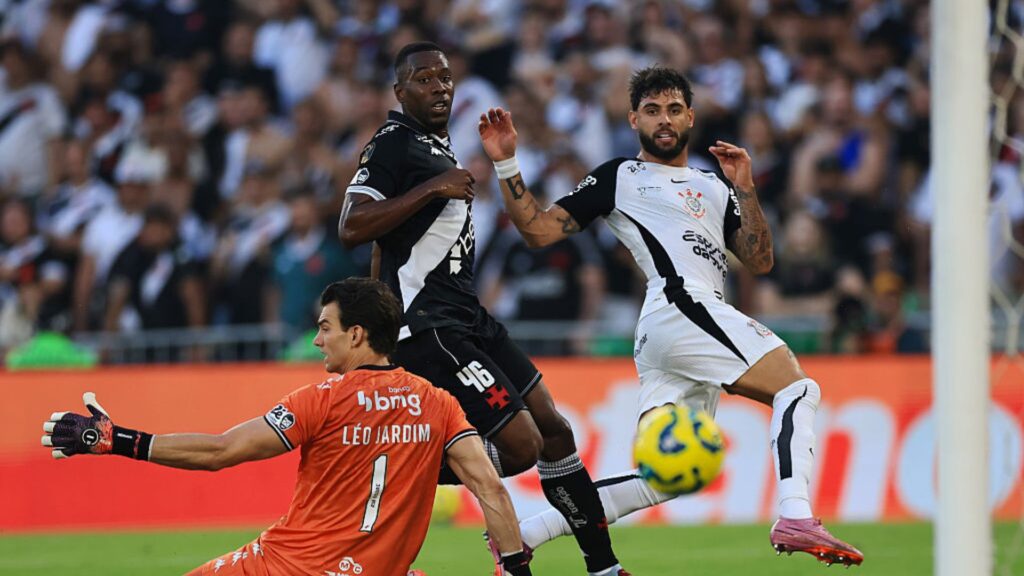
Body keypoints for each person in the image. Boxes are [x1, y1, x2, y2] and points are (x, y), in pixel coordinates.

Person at [477, 66, 865, 568]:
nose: (664, 119)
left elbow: (760, 260)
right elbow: (539, 231)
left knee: (664, 479)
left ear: (690, 117)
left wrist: (745, 188)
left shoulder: (713, 184)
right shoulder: (619, 176)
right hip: (681, 305)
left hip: (669, 331)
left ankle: (524, 532)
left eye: (674, 109)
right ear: (633, 119)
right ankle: (795, 513)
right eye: (653, 110)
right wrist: (507, 162)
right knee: (798, 389)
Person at [338, 42, 628, 576]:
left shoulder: (438, 147)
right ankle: (402, 461)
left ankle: (604, 568)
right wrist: (434, 188)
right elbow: (353, 224)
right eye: (424, 79)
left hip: (469, 315)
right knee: (519, 447)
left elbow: (387, 246)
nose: (439, 87)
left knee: (555, 430)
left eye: (445, 77)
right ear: (400, 91)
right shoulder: (393, 142)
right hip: (429, 325)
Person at [41, 277, 533, 576]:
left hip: (288, 565)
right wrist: (515, 567)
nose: (317, 340)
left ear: (356, 335)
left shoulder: (322, 400)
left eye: (325, 327)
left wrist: (118, 440)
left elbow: (221, 451)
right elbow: (490, 488)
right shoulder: (438, 403)